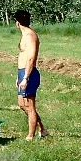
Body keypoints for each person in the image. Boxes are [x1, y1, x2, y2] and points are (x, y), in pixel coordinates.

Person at [14, 9, 49, 141]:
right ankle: (43, 129)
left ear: (17, 23)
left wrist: (25, 78)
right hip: (22, 72)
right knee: (22, 104)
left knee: (30, 105)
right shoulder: (24, 35)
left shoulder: (30, 36)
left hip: (29, 73)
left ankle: (30, 136)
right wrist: (19, 76)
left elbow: (31, 59)